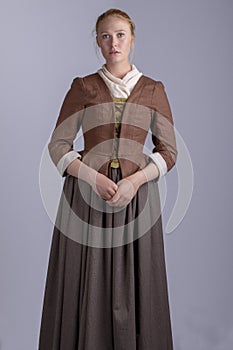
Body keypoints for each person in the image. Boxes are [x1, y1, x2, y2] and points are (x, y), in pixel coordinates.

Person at [38, 8, 177, 350]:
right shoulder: (83, 87)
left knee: (137, 282)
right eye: (105, 36)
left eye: (119, 35)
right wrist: (91, 177)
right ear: (97, 42)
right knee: (89, 279)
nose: (113, 42)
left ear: (132, 38)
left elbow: (169, 152)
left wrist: (135, 181)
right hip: (86, 196)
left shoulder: (152, 89)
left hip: (137, 199)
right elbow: (58, 145)